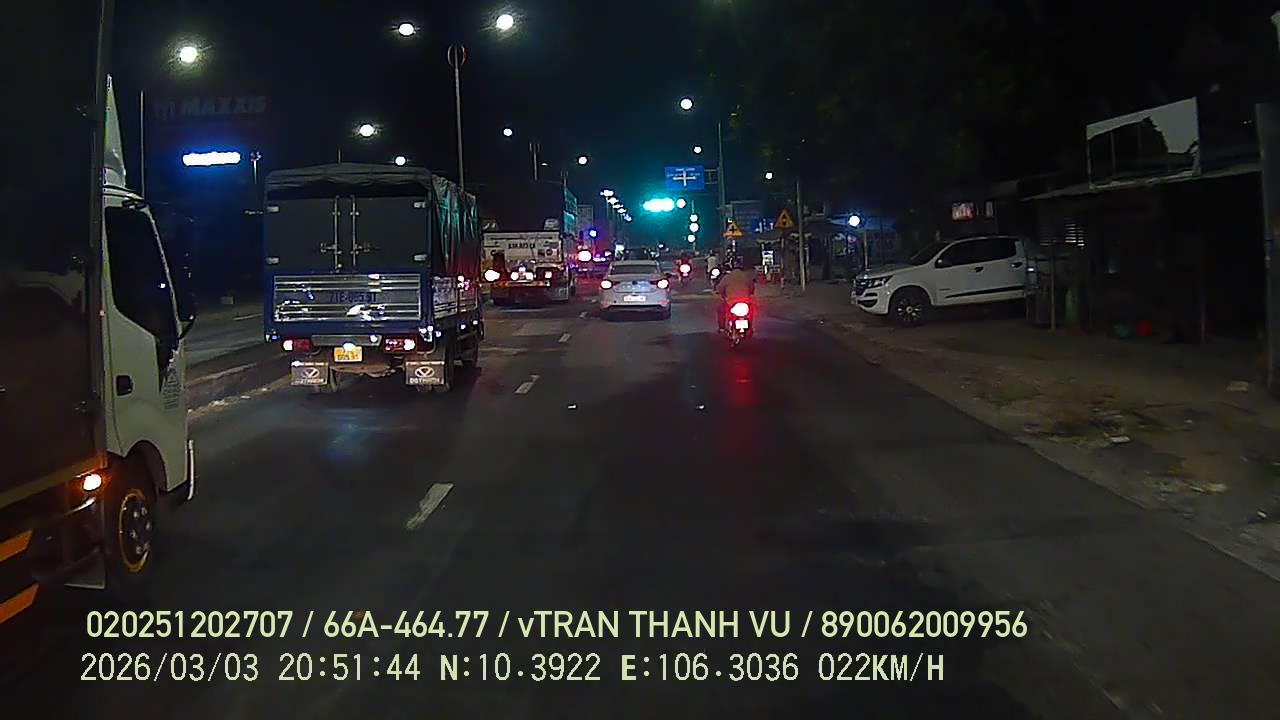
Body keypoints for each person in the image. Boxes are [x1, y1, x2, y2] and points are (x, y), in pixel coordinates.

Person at [716, 258, 756, 329]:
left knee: (720, 309)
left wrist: (723, 295)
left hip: (730, 303)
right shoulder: (747, 276)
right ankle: (750, 326)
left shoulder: (727, 277)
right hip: (746, 302)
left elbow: (720, 289)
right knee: (752, 309)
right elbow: (752, 289)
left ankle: (722, 328)